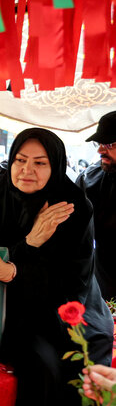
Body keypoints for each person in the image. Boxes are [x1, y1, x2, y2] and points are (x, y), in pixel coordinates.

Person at [0, 128, 113, 406]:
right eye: (20, 160)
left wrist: (12, 270)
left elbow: (71, 283)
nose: (26, 170)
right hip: (11, 311)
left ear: (55, 165)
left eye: (40, 163)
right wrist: (30, 243)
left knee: (51, 370)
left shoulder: (73, 208)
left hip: (68, 315)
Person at [76, 111, 116, 299]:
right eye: (98, 143)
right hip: (103, 291)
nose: (100, 150)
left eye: (108, 144)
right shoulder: (89, 179)